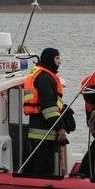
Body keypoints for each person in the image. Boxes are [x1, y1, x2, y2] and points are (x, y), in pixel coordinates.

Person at [22, 47, 75, 176]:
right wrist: (61, 128)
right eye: (57, 58)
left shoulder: (42, 75)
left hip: (40, 132)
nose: (60, 61)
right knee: (43, 170)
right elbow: (49, 109)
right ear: (49, 59)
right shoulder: (44, 78)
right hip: (44, 134)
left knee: (37, 166)